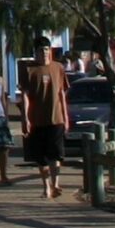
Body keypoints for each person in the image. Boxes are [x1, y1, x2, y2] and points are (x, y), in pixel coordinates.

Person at [22, 43, 71, 200]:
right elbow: (25, 96)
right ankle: (47, 187)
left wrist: (65, 116)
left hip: (56, 118)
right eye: (40, 50)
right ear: (35, 52)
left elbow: (61, 93)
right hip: (37, 120)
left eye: (46, 49)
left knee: (56, 155)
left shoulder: (58, 67)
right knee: (41, 158)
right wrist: (26, 118)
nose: (44, 52)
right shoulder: (29, 70)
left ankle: (56, 184)